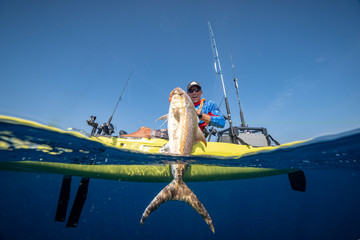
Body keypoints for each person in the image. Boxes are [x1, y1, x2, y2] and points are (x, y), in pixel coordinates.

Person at [122, 81, 225, 139]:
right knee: (143, 128)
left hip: (191, 136)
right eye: (191, 90)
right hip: (177, 131)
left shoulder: (209, 105)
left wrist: (200, 115)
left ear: (201, 92)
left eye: (196, 90)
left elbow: (221, 122)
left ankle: (122, 138)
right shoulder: (183, 103)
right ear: (188, 93)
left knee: (145, 132)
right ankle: (121, 137)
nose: (194, 92)